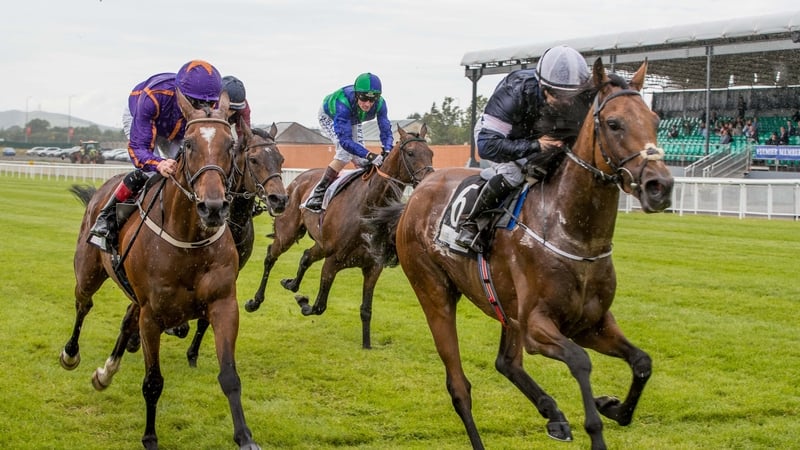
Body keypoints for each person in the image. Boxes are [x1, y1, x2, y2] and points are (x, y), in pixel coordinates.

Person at [454, 45, 590, 252]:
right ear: (543, 88)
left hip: (536, 137)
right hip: (498, 137)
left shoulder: (574, 94)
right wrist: (536, 146)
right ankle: (471, 223)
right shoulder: (513, 91)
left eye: (570, 96)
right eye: (559, 96)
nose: (566, 103)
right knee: (514, 175)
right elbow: (487, 146)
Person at [88, 59, 222, 252]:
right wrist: (158, 163)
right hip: (145, 119)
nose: (202, 108)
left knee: (189, 171)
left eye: (209, 104)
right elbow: (138, 149)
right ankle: (106, 218)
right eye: (196, 103)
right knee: (149, 173)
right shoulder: (154, 97)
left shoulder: (210, 101)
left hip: (178, 129)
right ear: (181, 94)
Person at [304, 72, 393, 212]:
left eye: (372, 100)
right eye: (364, 99)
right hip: (331, 117)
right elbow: (345, 141)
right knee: (345, 153)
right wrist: (371, 155)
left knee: (360, 159)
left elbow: (386, 130)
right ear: (357, 95)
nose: (368, 104)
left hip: (353, 119)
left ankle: (365, 194)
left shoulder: (381, 104)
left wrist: (388, 149)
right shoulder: (343, 102)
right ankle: (318, 193)